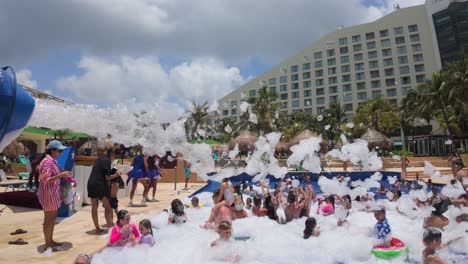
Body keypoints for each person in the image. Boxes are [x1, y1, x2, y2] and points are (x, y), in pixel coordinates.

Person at [37, 140, 72, 252]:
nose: (61, 153)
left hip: (52, 194)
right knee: (48, 219)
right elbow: (46, 180)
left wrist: (64, 174)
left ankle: (50, 241)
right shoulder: (47, 162)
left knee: (52, 219)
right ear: (52, 150)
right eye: (59, 150)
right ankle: (48, 244)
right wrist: (61, 175)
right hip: (49, 194)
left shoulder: (52, 161)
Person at [87, 148, 119, 233]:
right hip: (99, 185)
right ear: (111, 155)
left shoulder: (99, 159)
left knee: (94, 206)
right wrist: (117, 175)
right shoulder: (107, 161)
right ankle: (110, 229)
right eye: (114, 156)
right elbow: (107, 177)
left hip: (91, 184)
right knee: (108, 207)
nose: (114, 158)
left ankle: (97, 228)